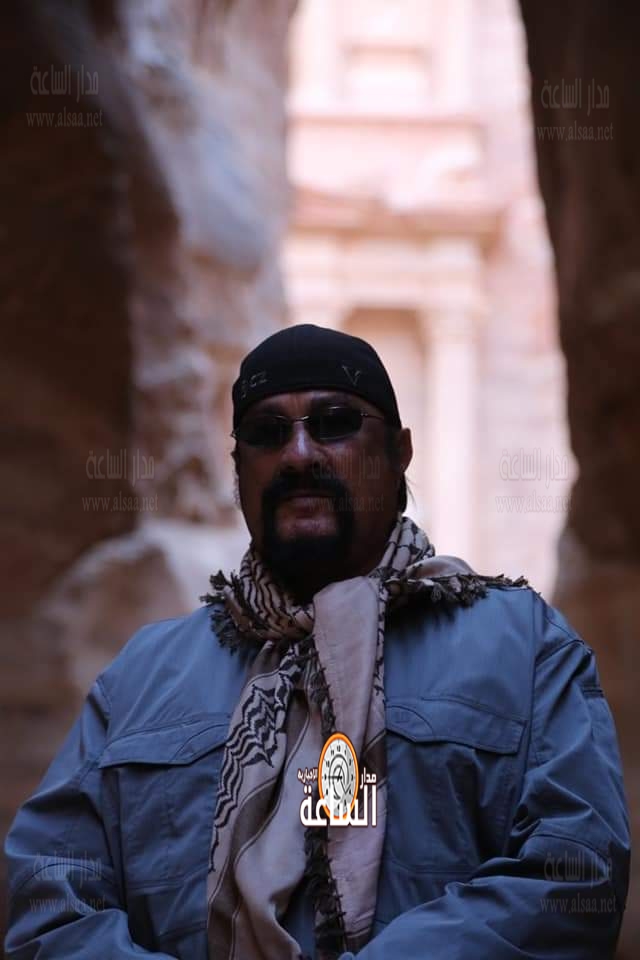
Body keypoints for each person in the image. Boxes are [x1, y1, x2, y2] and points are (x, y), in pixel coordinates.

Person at [4, 323, 630, 960]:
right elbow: (49, 896)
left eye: (334, 423)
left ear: (399, 453)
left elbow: (576, 872)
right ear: (238, 470)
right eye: (267, 433)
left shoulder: (521, 648)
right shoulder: (143, 677)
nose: (299, 454)